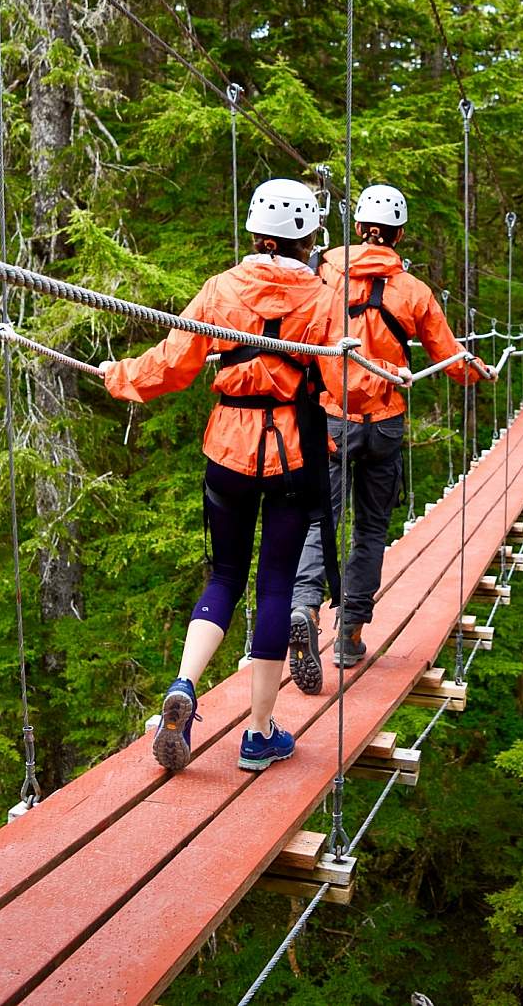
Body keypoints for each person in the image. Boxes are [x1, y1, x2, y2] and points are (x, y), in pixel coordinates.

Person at [100, 178, 336, 773]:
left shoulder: (221, 289)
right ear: (308, 236)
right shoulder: (323, 297)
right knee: (277, 582)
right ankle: (258, 736)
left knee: (226, 573)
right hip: (290, 455)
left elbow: (173, 364)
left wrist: (119, 375)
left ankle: (184, 683)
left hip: (228, 449)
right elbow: (343, 381)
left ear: (254, 229)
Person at [288, 183, 494, 695]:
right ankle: (351, 635)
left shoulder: (324, 271)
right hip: (383, 423)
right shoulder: (414, 293)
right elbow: (449, 357)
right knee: (371, 528)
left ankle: (305, 604)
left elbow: (297, 327)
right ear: (399, 234)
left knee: (321, 518)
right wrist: (477, 371)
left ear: (358, 228)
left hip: (332, 417)